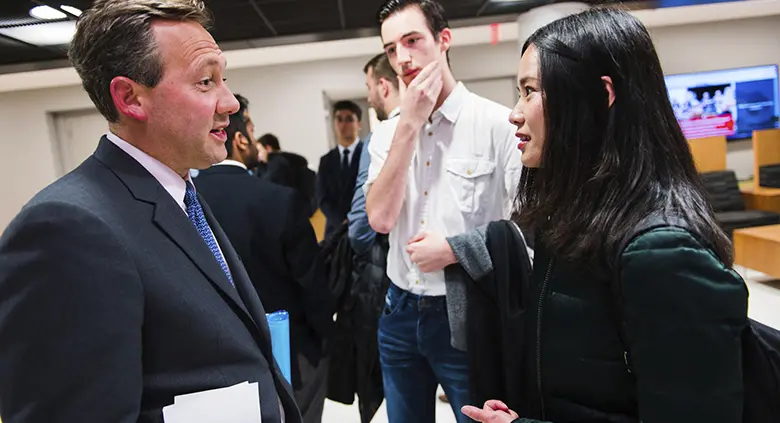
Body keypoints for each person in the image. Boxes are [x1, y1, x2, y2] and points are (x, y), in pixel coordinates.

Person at [0, 1, 300, 422]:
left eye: (224, 79)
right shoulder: (68, 228)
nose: (230, 103)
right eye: (205, 82)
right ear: (129, 98)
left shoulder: (180, 196)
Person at [460, 7, 748, 423]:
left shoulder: (663, 250)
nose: (515, 113)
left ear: (602, 95)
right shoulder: (571, 219)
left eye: (529, 91)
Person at [364, 1, 522, 422]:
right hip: (398, 308)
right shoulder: (385, 133)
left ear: (444, 39)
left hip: (468, 311)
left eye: (413, 40)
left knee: (475, 416)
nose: (402, 58)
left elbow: (525, 230)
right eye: (392, 48)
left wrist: (455, 248)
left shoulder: (498, 124)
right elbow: (379, 219)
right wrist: (410, 124)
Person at [348, 52, 401, 255]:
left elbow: (362, 223)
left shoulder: (379, 136)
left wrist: (358, 241)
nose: (369, 98)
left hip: (389, 254)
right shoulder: (431, 127)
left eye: (369, 88)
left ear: (383, 86)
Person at [317, 100, 364, 240]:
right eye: (339, 119)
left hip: (364, 229)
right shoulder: (326, 160)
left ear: (359, 124)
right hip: (334, 230)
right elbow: (322, 198)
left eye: (349, 119)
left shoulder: (369, 154)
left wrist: (355, 221)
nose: (344, 124)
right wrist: (341, 223)